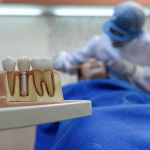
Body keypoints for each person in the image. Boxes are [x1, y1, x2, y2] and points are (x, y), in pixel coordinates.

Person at [52, 1, 150, 93]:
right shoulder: (99, 43)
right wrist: (49, 63)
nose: (114, 39)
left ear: (136, 35)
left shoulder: (147, 45)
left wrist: (135, 71)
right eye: (112, 32)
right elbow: (70, 61)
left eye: (121, 36)